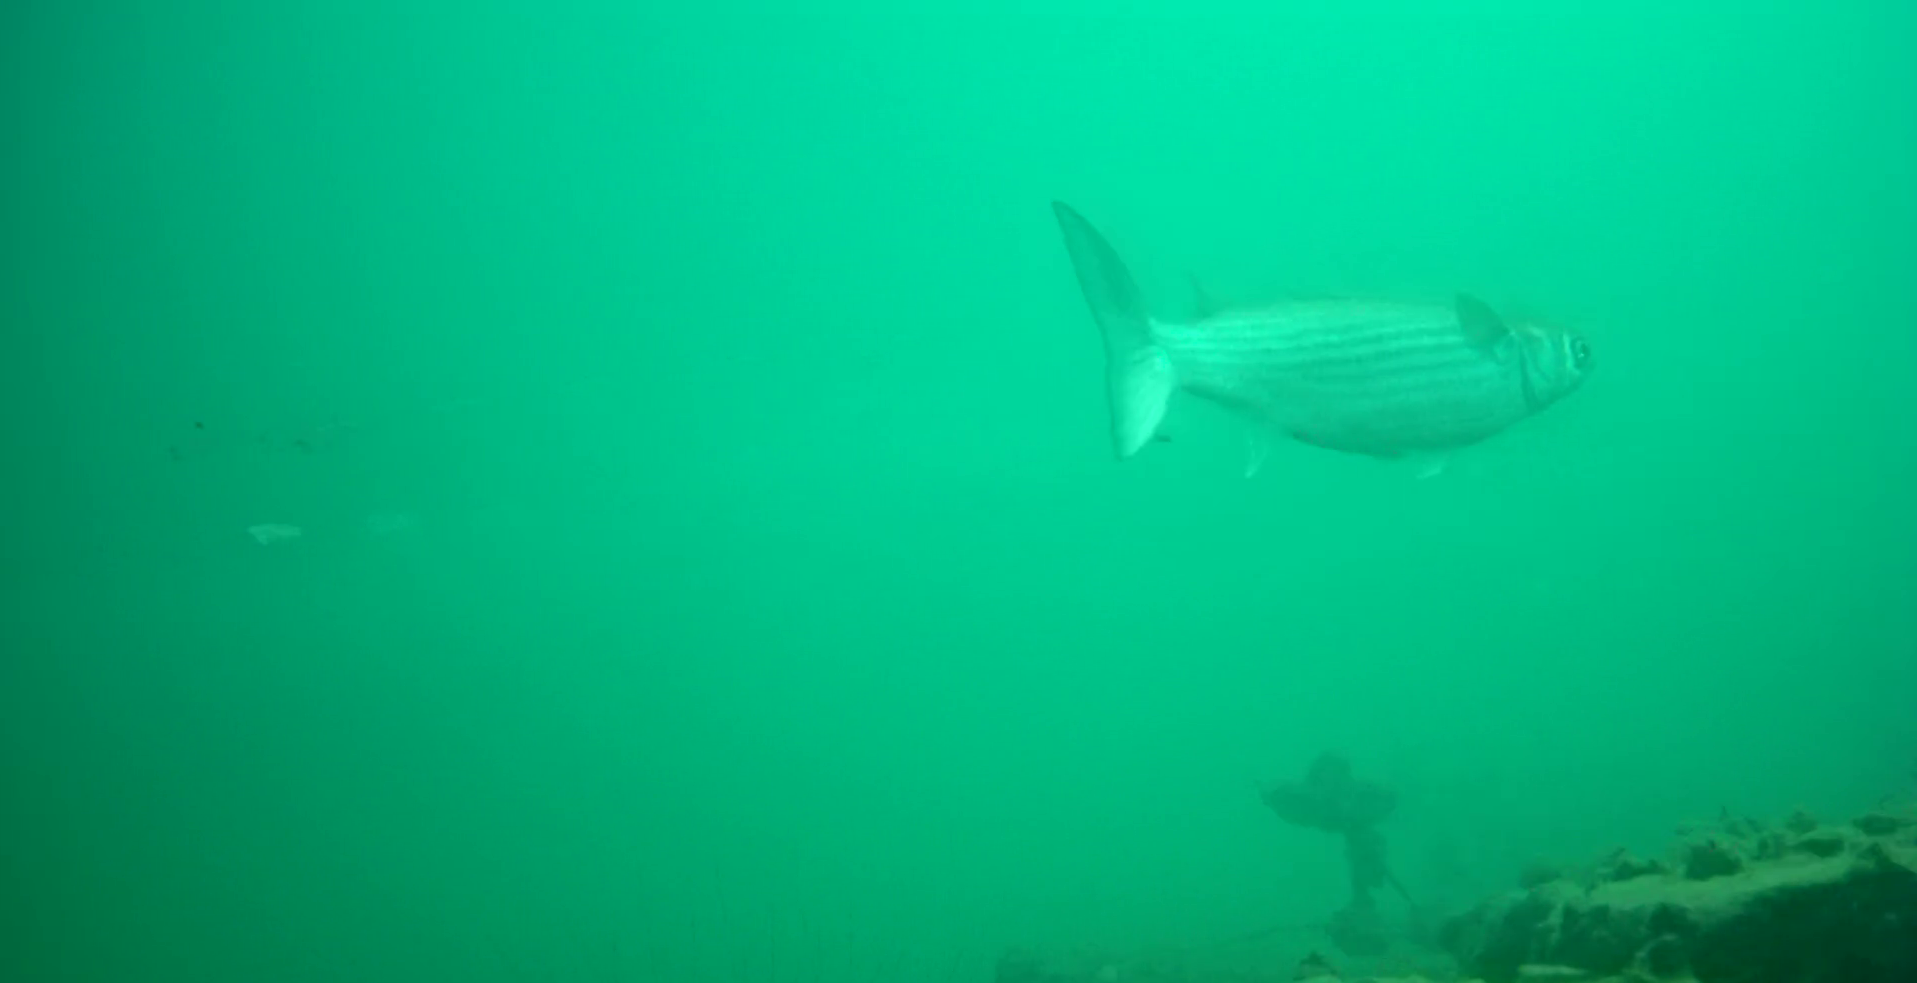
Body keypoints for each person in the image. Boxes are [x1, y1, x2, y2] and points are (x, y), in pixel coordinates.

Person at [1261, 752, 1409, 956]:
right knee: (1364, 848)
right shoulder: (1303, 797)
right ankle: (1362, 907)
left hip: (1359, 831)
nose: (1338, 784)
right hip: (1349, 826)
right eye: (1329, 778)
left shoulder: (1365, 794)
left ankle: (1363, 906)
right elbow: (1277, 792)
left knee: (1366, 848)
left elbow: (1389, 799)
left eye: (1342, 776)